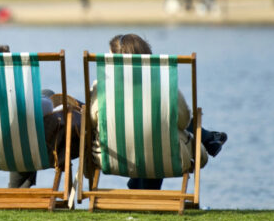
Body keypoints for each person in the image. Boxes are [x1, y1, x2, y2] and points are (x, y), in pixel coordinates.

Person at [90, 34, 227, 190]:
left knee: (151, 134)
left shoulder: (101, 88)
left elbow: (93, 122)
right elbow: (184, 121)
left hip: (112, 157)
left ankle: (139, 186)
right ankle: (207, 137)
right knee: (161, 135)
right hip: (164, 157)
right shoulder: (164, 88)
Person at [0, 45, 80, 189]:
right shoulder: (12, 100)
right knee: (30, 126)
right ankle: (18, 188)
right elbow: (47, 107)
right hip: (19, 149)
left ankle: (16, 188)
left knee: (26, 123)